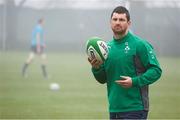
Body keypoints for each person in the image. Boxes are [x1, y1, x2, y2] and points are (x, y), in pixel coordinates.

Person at [88, 6, 162, 119]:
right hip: (114, 109)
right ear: (110, 22)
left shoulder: (139, 45)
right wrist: (96, 68)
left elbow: (156, 70)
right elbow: (102, 79)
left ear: (129, 23)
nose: (118, 22)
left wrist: (134, 81)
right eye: (115, 19)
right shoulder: (106, 48)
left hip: (135, 109)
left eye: (121, 20)